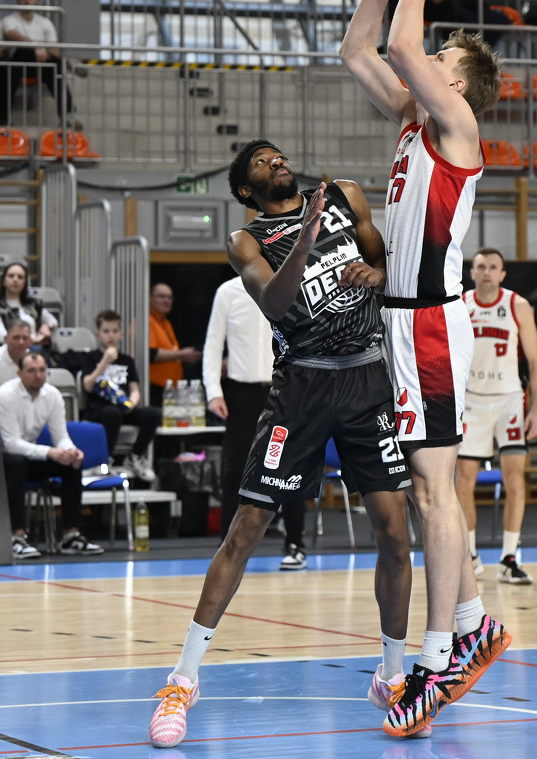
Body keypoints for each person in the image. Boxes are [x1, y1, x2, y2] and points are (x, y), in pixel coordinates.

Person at [148, 139, 413, 749]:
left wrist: (379, 273)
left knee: (395, 532)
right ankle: (182, 680)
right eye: (262, 163)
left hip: (366, 379)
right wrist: (306, 236)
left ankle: (393, 675)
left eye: (278, 156)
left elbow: (393, 266)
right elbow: (274, 303)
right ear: (247, 189)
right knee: (246, 528)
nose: (277, 162)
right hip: (301, 387)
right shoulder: (246, 240)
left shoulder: (344, 195)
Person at [340, 0, 509, 739]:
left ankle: (438, 659)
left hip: (433, 328)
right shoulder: (413, 118)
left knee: (435, 494)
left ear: (461, 86)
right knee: (424, 491)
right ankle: (472, 623)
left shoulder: (457, 130)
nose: (428, 57)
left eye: (444, 58)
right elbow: (357, 49)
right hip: (404, 326)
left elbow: (403, 43)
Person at [202, 274, 308, 569]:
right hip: (241, 393)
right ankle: (227, 546)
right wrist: (213, 391)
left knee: (290, 465)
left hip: (285, 386)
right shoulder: (228, 291)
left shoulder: (295, 285)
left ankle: (295, 544)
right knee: (236, 468)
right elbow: (213, 345)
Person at [455, 247, 537, 583]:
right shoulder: (460, 304)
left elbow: (535, 362)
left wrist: (536, 411)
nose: (487, 272)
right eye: (481, 266)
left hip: (509, 400)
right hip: (472, 401)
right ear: (472, 272)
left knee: (515, 479)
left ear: (503, 274)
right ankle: (470, 554)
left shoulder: (518, 305)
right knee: (463, 479)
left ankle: (509, 558)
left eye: (493, 267)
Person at [0, 351, 104, 559]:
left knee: (70, 464)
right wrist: (50, 452)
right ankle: (15, 537)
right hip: (5, 458)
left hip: (27, 455)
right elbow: (11, 444)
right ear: (20, 373)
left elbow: (61, 436)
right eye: (31, 371)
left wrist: (70, 451)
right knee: (16, 463)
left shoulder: (53, 395)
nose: (38, 376)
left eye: (42, 370)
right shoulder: (6, 395)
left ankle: (71, 535)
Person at [64, 309, 160, 483]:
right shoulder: (90, 358)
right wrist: (104, 362)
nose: (111, 335)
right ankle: (104, 460)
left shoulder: (127, 360)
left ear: (121, 334)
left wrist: (132, 403)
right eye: (106, 331)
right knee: (112, 413)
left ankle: (136, 456)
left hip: (123, 407)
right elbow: (87, 386)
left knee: (153, 414)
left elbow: (135, 389)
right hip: (99, 409)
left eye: (115, 331)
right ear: (98, 334)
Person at [0, 0, 77, 127]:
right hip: (18, 63)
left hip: (42, 64)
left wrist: (44, 52)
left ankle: (67, 116)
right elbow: (13, 35)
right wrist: (37, 48)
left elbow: (55, 49)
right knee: (13, 63)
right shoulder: (9, 20)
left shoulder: (45, 22)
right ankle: (4, 119)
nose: (27, 1)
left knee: (57, 67)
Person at [149, 282, 202, 407]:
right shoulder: (147, 321)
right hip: (154, 389)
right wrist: (181, 354)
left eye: (170, 297)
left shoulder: (166, 323)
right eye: (161, 296)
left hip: (170, 389)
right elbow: (150, 353)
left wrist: (184, 357)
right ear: (150, 298)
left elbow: (170, 352)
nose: (166, 301)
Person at [0, 261, 58, 349]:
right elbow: (2, 337)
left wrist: (46, 326)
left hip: (35, 349)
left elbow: (53, 321)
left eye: (20, 277)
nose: (15, 279)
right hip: (7, 350)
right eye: (11, 276)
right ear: (4, 281)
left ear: (25, 282)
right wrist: (33, 341)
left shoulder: (33, 304)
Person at [0, 319, 32, 386]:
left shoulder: (35, 361)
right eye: (16, 337)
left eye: (25, 338)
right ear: (6, 339)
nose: (21, 342)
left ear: (30, 341)